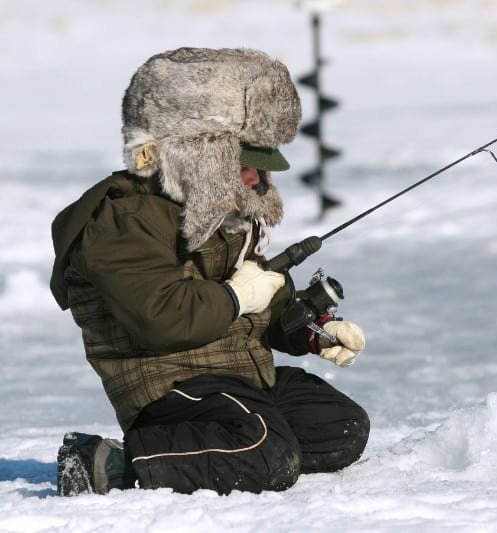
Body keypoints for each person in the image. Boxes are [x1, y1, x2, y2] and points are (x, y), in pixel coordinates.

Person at [49, 47, 369, 496]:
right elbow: (161, 318)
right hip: (170, 387)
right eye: (246, 166)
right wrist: (236, 297)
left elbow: (267, 307)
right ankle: (107, 463)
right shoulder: (124, 221)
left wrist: (313, 332)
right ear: (197, 159)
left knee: (340, 428)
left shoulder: (226, 214)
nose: (257, 179)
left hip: (239, 378)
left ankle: (228, 450)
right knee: (267, 452)